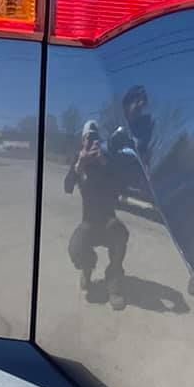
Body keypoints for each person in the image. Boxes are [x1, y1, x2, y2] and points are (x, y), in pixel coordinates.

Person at [63, 120, 128, 308]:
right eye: (88, 138)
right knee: (75, 248)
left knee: (120, 234)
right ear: (82, 141)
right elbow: (67, 187)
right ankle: (88, 266)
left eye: (95, 138)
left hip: (108, 221)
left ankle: (114, 283)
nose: (92, 142)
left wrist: (103, 163)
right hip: (88, 223)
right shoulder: (79, 160)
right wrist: (79, 164)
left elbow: (118, 190)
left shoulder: (107, 161)